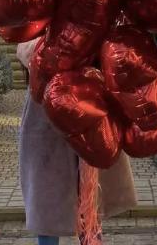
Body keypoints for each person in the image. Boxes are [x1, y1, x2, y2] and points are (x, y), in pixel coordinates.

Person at [17, 40, 137, 245]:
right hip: (46, 117)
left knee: (90, 194)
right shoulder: (37, 33)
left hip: (90, 107)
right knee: (46, 201)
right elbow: (26, 50)